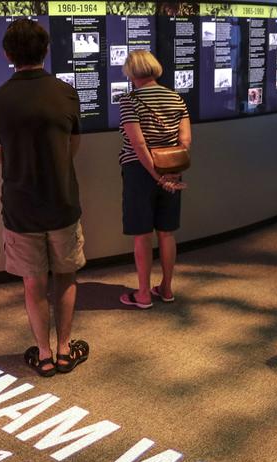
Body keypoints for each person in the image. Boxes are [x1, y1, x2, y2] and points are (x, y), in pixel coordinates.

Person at [0, 19, 89, 377]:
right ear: (45, 51)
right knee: (66, 276)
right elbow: (73, 147)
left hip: (20, 207)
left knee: (34, 283)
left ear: (7, 54)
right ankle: (64, 351)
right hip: (62, 203)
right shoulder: (66, 93)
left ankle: (43, 355)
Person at [117, 50, 192, 309]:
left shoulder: (129, 101)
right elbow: (185, 141)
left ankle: (144, 294)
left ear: (131, 71)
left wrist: (156, 176)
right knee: (167, 233)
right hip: (172, 172)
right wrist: (170, 174)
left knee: (142, 236)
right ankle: (167, 288)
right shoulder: (176, 98)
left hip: (140, 173)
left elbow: (138, 145)